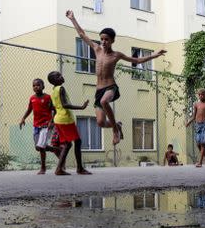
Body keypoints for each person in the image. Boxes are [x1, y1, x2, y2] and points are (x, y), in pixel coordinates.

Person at [65, 10, 166, 145]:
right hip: (99, 90)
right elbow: (82, 34)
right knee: (100, 122)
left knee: (104, 102)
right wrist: (72, 18)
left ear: (112, 40)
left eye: (106, 39)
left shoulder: (116, 55)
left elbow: (136, 60)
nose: (103, 41)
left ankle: (115, 131)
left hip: (110, 87)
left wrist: (154, 55)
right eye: (102, 39)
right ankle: (116, 125)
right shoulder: (96, 49)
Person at [47, 70, 92, 176]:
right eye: (58, 76)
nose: (61, 76)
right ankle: (79, 168)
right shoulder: (60, 88)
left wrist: (52, 120)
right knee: (76, 142)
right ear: (54, 80)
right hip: (65, 119)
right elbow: (65, 105)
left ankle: (60, 169)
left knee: (68, 144)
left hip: (59, 119)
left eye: (60, 74)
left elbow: (52, 107)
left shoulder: (53, 91)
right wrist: (81, 107)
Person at [19, 78, 62, 174]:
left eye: (38, 85)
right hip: (36, 126)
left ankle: (43, 168)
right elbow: (29, 109)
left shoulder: (47, 97)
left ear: (43, 86)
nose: (36, 87)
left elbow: (54, 110)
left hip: (46, 125)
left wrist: (52, 121)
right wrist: (23, 118)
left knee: (41, 147)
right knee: (37, 147)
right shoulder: (32, 98)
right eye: (34, 85)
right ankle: (57, 150)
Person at [185, 89, 205, 167]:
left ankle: (200, 162)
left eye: (202, 94)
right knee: (198, 144)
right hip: (197, 125)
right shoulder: (196, 104)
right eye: (199, 95)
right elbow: (194, 116)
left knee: (203, 143)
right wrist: (188, 123)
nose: (200, 96)